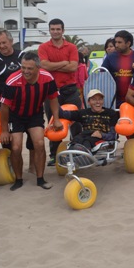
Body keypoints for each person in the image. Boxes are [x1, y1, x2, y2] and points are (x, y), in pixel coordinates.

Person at [0, 52, 62, 190]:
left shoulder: (47, 78)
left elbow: (53, 99)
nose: (25, 71)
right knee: (15, 147)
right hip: (15, 116)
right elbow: (4, 107)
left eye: (30, 68)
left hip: (35, 114)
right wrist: (4, 130)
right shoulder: (12, 81)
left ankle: (40, 179)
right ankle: (18, 179)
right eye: (23, 67)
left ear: (38, 68)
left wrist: (56, 119)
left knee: (39, 143)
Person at [39, 18, 81, 166]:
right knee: (52, 122)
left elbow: (73, 68)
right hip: (51, 91)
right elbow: (43, 66)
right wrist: (64, 63)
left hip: (70, 90)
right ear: (49, 30)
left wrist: (52, 66)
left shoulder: (72, 47)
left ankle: (77, 150)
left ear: (63, 30)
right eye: (52, 29)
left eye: (58, 29)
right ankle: (54, 155)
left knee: (76, 121)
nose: (55, 31)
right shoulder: (43, 47)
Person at [102, 30, 134, 108]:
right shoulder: (110, 58)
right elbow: (102, 76)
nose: (116, 45)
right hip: (115, 101)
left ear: (128, 43)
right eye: (115, 42)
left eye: (119, 42)